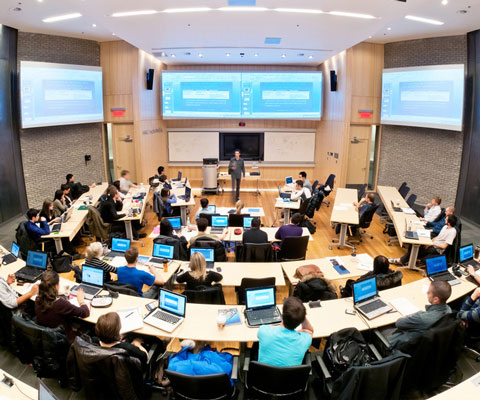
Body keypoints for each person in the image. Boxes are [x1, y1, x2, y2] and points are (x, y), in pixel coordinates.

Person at [387, 280, 452, 347]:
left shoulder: (421, 318)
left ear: (436, 299)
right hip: (428, 348)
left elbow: (399, 323)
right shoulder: (449, 310)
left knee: (381, 329)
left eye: (429, 292)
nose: (426, 292)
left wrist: (411, 315)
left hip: (402, 346)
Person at [35, 271, 90, 343]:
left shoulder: (37, 299)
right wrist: (81, 300)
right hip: (64, 339)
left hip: (47, 337)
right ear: (56, 286)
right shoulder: (60, 304)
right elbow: (85, 313)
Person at [257, 296, 313, 367]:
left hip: (263, 377)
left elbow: (266, 328)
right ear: (301, 320)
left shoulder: (264, 331)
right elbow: (310, 330)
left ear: (282, 314)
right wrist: (301, 315)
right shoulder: (304, 340)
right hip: (290, 377)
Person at [390, 215, 458, 266]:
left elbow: (444, 246)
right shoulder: (445, 227)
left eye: (446, 219)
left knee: (418, 248)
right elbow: (438, 237)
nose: (444, 220)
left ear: (449, 223)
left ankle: (401, 260)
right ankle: (408, 260)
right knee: (414, 245)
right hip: (433, 244)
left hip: (437, 249)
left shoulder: (452, 232)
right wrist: (430, 242)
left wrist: (431, 244)